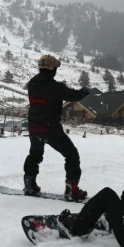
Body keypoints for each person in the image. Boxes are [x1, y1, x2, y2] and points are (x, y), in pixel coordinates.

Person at [23, 54, 90, 201]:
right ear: (52, 68)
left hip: (34, 127)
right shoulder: (56, 87)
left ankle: (29, 184)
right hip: (50, 128)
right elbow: (73, 96)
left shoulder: (32, 84)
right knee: (71, 155)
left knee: (35, 154)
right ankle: (71, 190)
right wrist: (84, 91)